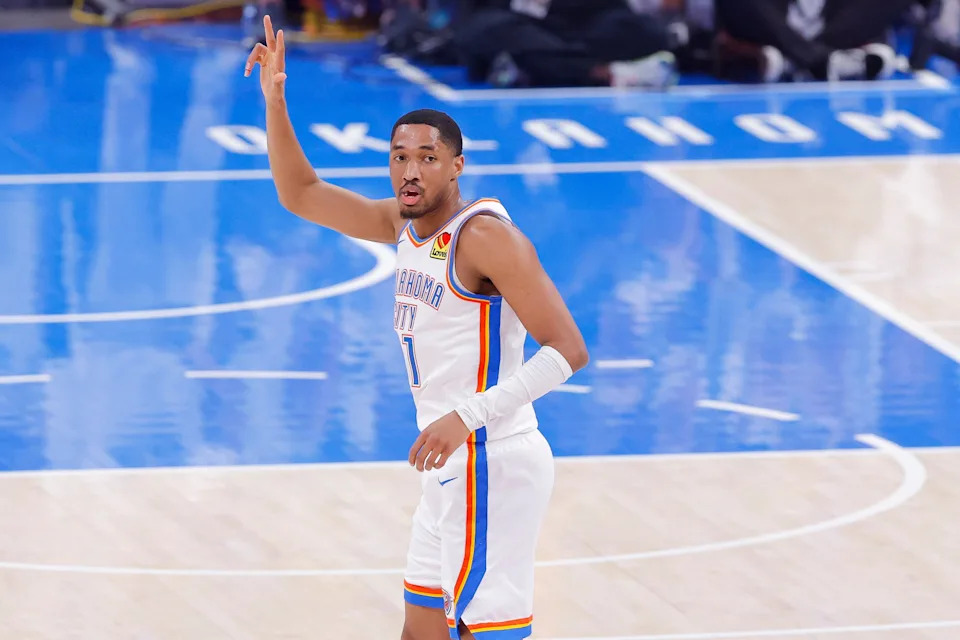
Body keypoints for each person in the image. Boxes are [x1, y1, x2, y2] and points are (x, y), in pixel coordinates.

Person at [244, 15, 589, 640]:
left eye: (427, 158)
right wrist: (275, 98)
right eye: (400, 157)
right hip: (448, 465)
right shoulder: (402, 227)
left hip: (491, 456)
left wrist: (467, 417)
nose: (410, 171)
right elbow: (301, 193)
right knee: (421, 629)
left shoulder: (486, 238)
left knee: (489, 631)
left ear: (456, 166)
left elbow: (567, 351)